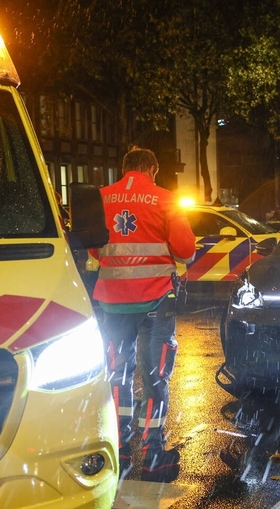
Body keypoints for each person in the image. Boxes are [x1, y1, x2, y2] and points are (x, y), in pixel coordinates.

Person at [93, 147, 196, 482]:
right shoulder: (164, 198)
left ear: (124, 169)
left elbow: (94, 247)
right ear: (152, 169)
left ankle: (119, 449)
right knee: (155, 378)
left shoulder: (102, 198)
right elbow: (186, 250)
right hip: (154, 302)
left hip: (112, 304)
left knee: (118, 375)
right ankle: (153, 456)